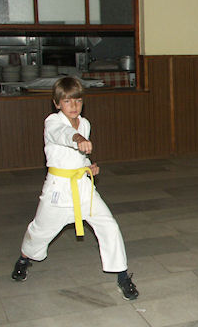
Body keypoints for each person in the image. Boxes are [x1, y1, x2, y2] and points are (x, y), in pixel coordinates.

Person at [11, 76, 139, 300]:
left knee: (108, 225)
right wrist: (78, 138)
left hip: (82, 185)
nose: (74, 106)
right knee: (41, 231)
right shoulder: (52, 122)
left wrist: (88, 167)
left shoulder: (85, 123)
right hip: (58, 188)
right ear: (57, 103)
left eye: (78, 101)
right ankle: (24, 259)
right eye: (68, 101)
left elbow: (78, 156)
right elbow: (64, 135)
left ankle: (122, 275)